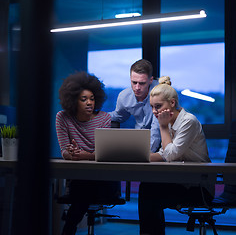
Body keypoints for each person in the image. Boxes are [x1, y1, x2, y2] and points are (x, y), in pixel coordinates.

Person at [138, 76, 214, 235]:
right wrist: (138, 155)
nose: (154, 112)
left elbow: (170, 155)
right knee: (147, 187)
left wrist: (163, 127)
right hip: (183, 181)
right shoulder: (170, 121)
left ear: (172, 103)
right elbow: (163, 153)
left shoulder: (188, 121)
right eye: (152, 107)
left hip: (198, 186)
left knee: (149, 191)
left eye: (158, 106)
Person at [56, 71, 121, 235]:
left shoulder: (104, 118)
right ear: (73, 101)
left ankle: (68, 229)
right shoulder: (63, 118)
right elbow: (64, 150)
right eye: (83, 99)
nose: (89, 103)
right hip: (80, 180)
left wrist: (86, 155)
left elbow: (105, 152)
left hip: (103, 180)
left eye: (92, 98)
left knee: (81, 194)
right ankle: (69, 227)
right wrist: (70, 153)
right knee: (82, 189)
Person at [109, 59, 161, 152]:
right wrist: (95, 115)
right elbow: (119, 116)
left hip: (163, 143)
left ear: (151, 80)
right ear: (130, 78)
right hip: (139, 140)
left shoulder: (160, 92)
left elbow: (156, 130)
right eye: (134, 82)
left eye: (142, 83)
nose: (137, 88)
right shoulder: (124, 96)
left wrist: (146, 155)